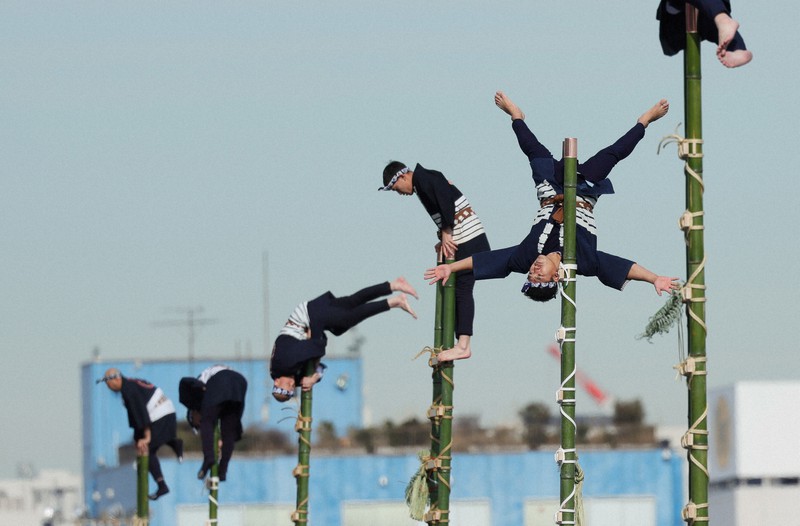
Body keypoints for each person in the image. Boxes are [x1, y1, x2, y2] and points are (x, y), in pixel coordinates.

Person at [425, 92, 679, 301]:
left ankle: (517, 116)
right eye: (540, 276)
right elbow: (623, 266)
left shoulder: (525, 256)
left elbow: (488, 260)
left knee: (533, 151)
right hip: (582, 192)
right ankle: (644, 121)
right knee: (613, 154)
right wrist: (655, 278)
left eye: (530, 275)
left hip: (550, 191)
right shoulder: (582, 262)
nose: (534, 270)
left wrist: (450, 267)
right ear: (555, 277)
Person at [379, 162, 490, 362]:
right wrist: (443, 236)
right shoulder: (423, 182)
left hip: (469, 238)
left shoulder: (425, 178)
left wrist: (447, 232)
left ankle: (463, 345)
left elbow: (446, 200)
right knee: (457, 290)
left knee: (462, 288)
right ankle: (459, 342)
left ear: (402, 177)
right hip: (464, 238)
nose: (400, 193)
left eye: (396, 189)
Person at [270, 277, 418, 401]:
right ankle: (394, 285)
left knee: (346, 319)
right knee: (350, 303)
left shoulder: (284, 363)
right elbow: (320, 365)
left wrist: (314, 366)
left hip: (309, 316)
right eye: (292, 389)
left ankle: (394, 302)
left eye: (287, 386)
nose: (292, 385)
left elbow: (319, 346)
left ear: (276, 381)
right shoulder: (287, 374)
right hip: (311, 317)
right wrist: (314, 377)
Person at [97, 368, 183, 501]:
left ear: (117, 379)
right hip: (165, 412)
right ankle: (174, 443)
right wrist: (138, 438)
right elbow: (135, 419)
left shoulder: (129, 390)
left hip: (161, 414)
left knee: (147, 449)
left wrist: (147, 436)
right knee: (141, 443)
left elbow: (141, 413)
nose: (108, 387)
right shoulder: (129, 386)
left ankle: (162, 485)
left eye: (108, 383)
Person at [178, 365, 248, 482]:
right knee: (229, 430)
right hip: (240, 382)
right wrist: (222, 442)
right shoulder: (216, 404)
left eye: (197, 424)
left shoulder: (194, 399)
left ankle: (208, 458)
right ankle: (223, 470)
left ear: (192, 414)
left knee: (207, 421)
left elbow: (187, 381)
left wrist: (201, 387)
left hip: (220, 380)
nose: (199, 425)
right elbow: (234, 430)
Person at [657, 0, 752, 68]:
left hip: (707, 15)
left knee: (723, 32)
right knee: (720, 28)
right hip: (679, 22)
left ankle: (737, 49)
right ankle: (738, 47)